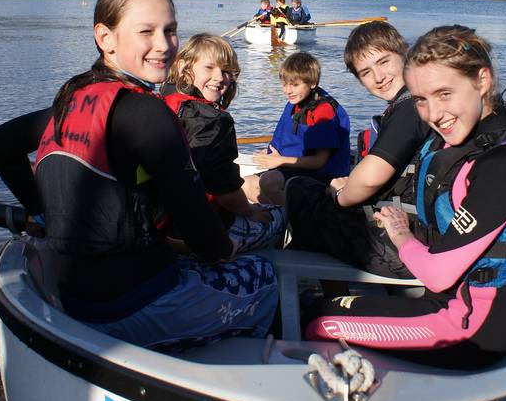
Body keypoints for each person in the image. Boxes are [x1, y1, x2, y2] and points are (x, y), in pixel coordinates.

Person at [0, 0, 277, 348]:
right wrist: (226, 250)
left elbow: (0, 144)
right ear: (105, 38)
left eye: (170, 31)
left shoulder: (72, 99)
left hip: (73, 294)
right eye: (146, 31)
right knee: (264, 276)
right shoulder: (149, 114)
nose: (164, 44)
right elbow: (204, 236)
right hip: (130, 306)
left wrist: (41, 214)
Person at [302, 25, 506, 367]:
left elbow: (437, 275)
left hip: (466, 329)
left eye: (444, 94)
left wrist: (401, 234)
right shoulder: (472, 140)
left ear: (482, 80)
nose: (433, 114)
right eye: (421, 99)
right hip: (453, 307)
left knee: (318, 319)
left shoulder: (501, 165)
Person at [286, 22, 431, 276]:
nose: (378, 77)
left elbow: (370, 178)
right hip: (411, 228)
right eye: (366, 72)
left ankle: (308, 292)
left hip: (404, 244)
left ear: (406, 55)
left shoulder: (410, 109)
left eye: (384, 62)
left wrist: (341, 194)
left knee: (300, 191)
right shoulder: (419, 100)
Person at [161, 32, 285, 251]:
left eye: (226, 71)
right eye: (209, 68)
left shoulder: (163, 100)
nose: (219, 77)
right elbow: (224, 191)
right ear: (184, 68)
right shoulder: (212, 121)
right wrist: (250, 211)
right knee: (279, 215)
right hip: (201, 229)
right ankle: (256, 270)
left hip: (165, 224)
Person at [248, 52, 351, 206]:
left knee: (269, 182)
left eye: (295, 85)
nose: (287, 91)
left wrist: (279, 161)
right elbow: (288, 138)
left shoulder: (323, 111)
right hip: (294, 167)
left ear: (312, 83)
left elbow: (319, 161)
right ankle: (278, 215)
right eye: (284, 84)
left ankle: (298, 219)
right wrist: (270, 152)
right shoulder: (295, 101)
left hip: (321, 175)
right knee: (244, 184)